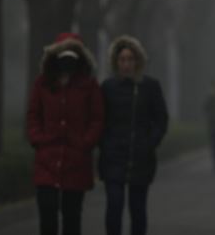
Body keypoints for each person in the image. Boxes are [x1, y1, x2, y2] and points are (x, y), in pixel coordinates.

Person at [26, 33, 104, 235]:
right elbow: (33, 115)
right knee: (47, 215)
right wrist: (38, 140)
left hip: (76, 160)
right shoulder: (42, 84)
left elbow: (97, 118)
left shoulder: (88, 86)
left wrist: (86, 143)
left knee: (72, 217)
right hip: (47, 160)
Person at [98, 35, 169, 235]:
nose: (126, 64)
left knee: (138, 209)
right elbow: (98, 119)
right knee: (114, 205)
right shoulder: (107, 87)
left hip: (141, 157)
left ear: (137, 61)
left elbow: (161, 119)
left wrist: (150, 143)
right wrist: (104, 144)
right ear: (116, 62)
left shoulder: (150, 86)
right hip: (113, 157)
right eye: (122, 59)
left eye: (130, 59)